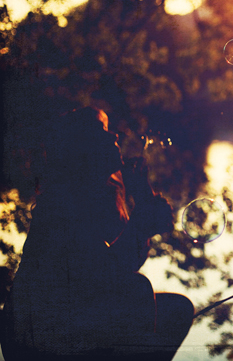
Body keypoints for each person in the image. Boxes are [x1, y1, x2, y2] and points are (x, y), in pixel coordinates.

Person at [1, 107, 193, 360]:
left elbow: (123, 263)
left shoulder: (94, 195)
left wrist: (142, 195)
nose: (115, 136)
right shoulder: (62, 202)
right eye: (101, 130)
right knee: (137, 290)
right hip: (31, 336)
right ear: (81, 149)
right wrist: (141, 223)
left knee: (177, 309)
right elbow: (106, 275)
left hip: (65, 318)